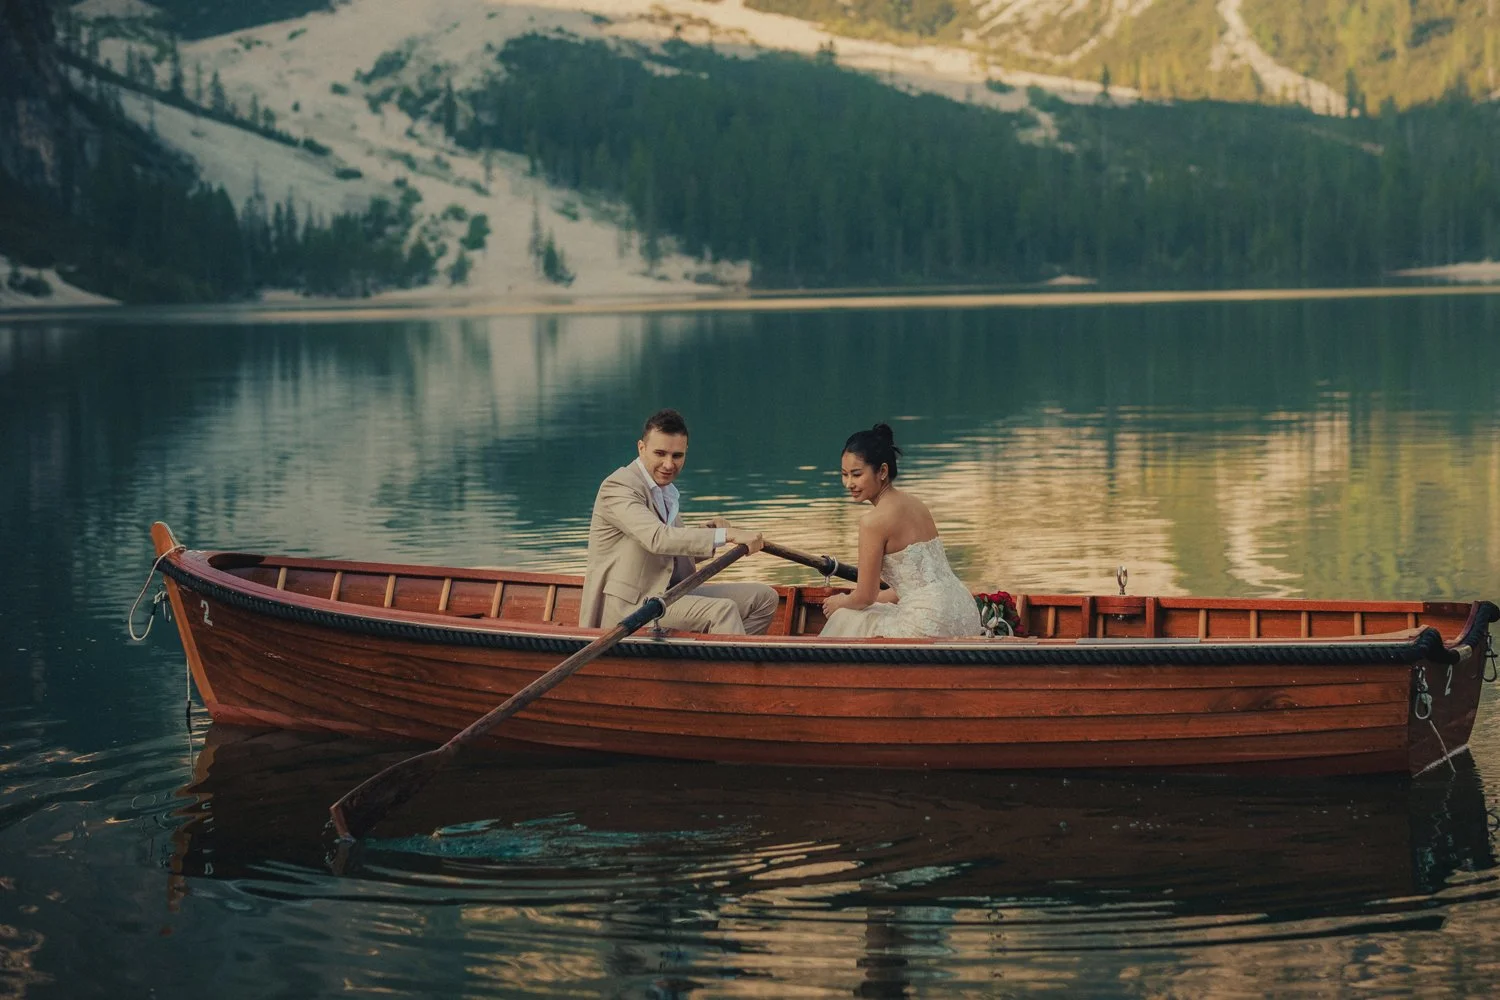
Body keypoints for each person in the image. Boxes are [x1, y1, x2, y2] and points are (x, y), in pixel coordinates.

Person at [579, 408, 779, 634]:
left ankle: (721, 653)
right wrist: (726, 535)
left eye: (677, 456)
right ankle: (730, 655)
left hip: (669, 594)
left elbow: (671, 551)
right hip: (631, 609)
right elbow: (658, 538)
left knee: (764, 598)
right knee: (722, 611)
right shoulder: (618, 487)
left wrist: (710, 532)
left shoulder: (665, 490)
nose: (668, 464)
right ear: (641, 448)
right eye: (660, 453)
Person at [820, 424, 981, 638]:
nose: (849, 483)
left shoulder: (872, 522)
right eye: (844, 475)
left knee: (844, 617)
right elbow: (910, 584)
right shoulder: (917, 504)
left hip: (928, 621)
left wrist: (840, 602)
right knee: (868, 611)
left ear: (883, 471)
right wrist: (860, 600)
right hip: (964, 610)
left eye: (856, 474)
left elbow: (865, 596)